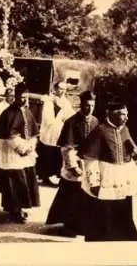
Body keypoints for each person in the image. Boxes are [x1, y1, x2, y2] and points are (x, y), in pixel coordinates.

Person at [78, 100, 137, 241]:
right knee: (104, 213)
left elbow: (130, 151)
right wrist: (93, 182)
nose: (126, 118)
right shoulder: (100, 131)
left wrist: (134, 153)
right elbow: (90, 159)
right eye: (122, 114)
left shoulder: (125, 129)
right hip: (106, 176)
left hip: (123, 176)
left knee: (123, 211)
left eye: (127, 114)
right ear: (112, 114)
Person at [45, 91, 99, 236]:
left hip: (89, 165)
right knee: (70, 197)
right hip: (74, 163)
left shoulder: (95, 121)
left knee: (87, 196)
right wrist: (73, 166)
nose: (89, 109)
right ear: (81, 105)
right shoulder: (71, 122)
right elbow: (66, 147)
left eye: (92, 106)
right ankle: (68, 226)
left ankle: (83, 225)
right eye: (87, 106)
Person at [0, 83, 41, 223]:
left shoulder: (27, 111)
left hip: (25, 150)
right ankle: (16, 210)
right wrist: (21, 148)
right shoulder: (8, 113)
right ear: (16, 97)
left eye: (26, 97)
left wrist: (31, 146)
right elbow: (8, 136)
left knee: (25, 180)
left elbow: (33, 132)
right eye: (21, 97)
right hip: (12, 150)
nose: (24, 100)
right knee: (15, 181)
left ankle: (19, 207)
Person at [37, 81, 75, 186]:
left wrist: (65, 119)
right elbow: (46, 116)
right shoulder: (48, 100)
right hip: (48, 130)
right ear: (55, 89)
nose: (62, 91)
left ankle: (56, 175)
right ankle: (45, 176)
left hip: (59, 130)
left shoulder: (66, 103)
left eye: (64, 89)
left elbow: (70, 116)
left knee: (57, 154)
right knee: (47, 153)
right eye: (60, 88)